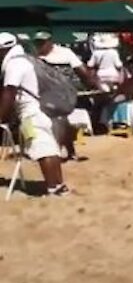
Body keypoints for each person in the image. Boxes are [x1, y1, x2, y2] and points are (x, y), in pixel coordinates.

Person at [0, 33, 70, 196]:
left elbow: (9, 92)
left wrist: (1, 117)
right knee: (50, 149)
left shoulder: (14, 65)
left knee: (42, 150)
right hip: (41, 110)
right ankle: (58, 185)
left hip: (30, 113)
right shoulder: (25, 60)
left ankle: (53, 186)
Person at [33, 32, 99, 161]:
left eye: (42, 42)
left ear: (50, 42)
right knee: (60, 120)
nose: (39, 45)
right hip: (46, 93)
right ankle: (69, 150)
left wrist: (92, 84)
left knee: (59, 119)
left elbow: (82, 71)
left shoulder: (64, 53)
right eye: (37, 42)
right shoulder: (36, 56)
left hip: (64, 93)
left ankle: (56, 150)